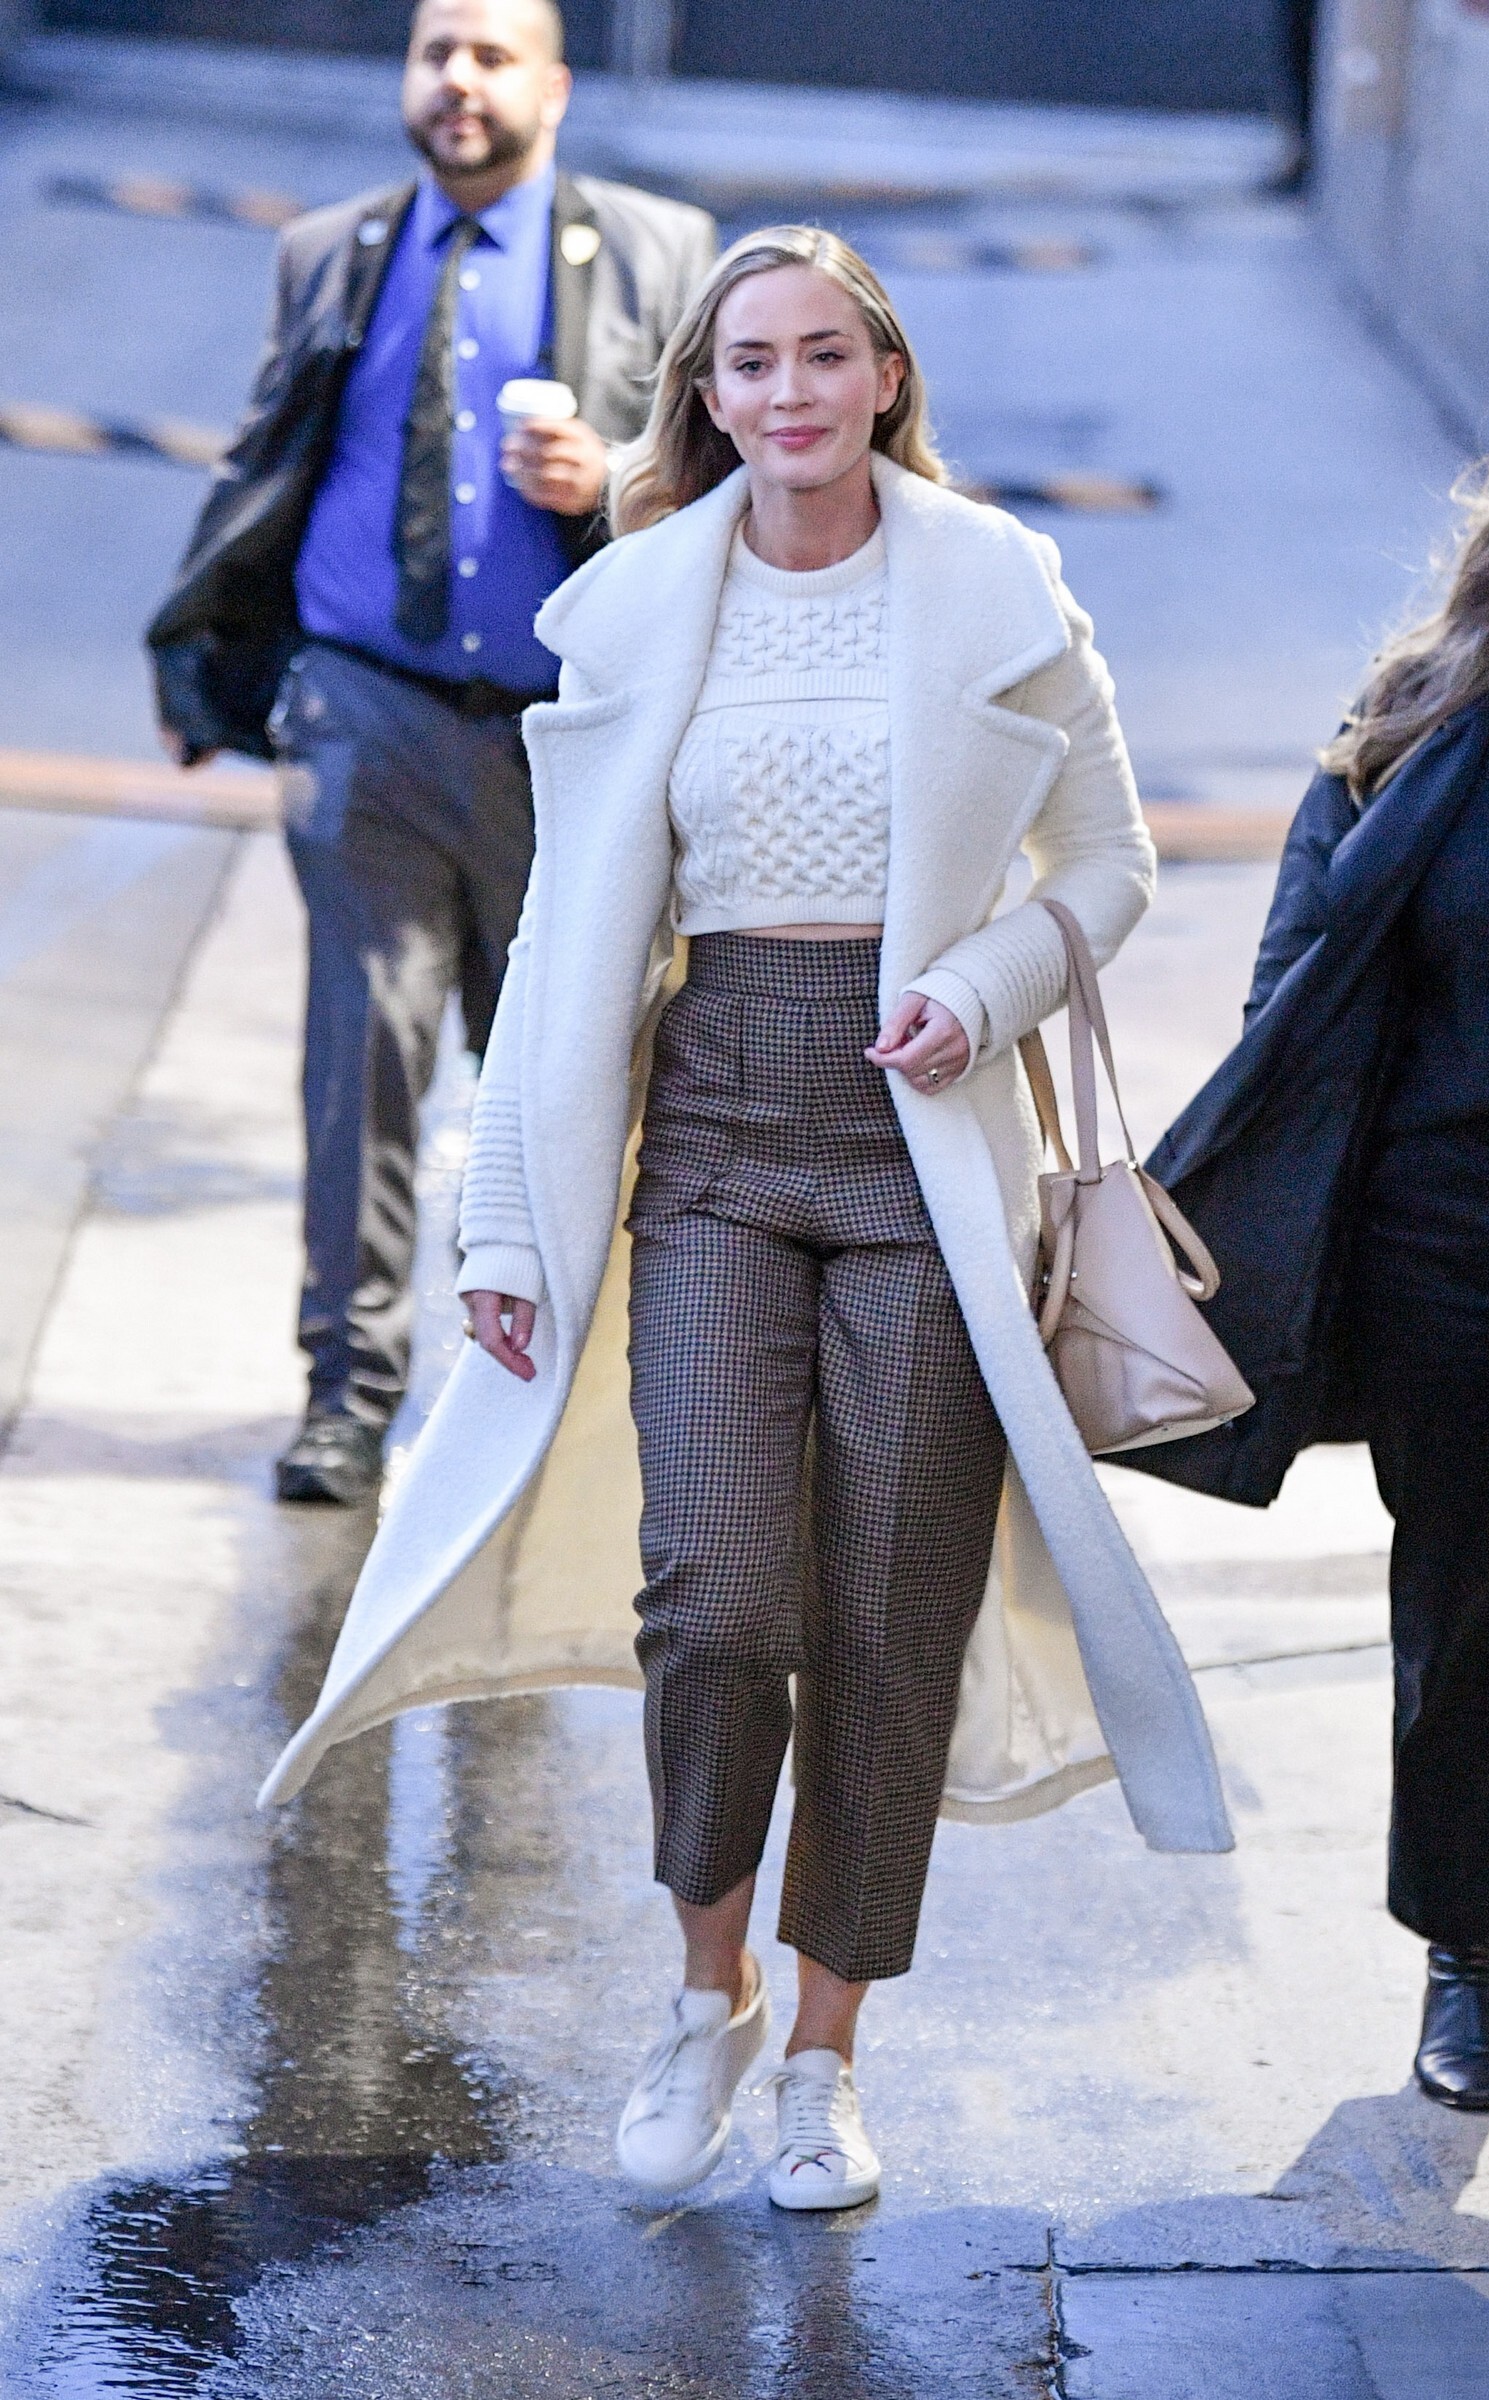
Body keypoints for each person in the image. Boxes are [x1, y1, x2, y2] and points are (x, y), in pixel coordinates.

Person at [257, 226, 1232, 2207]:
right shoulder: (636, 605)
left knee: (889, 1614)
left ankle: (822, 2058)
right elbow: (564, 940)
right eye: (751, 364)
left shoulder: (995, 581)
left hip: (924, 1151)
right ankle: (702, 1997)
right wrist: (505, 1224)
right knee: (712, 1599)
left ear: (885, 375)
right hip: (706, 1130)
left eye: (823, 356)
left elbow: (1109, 864)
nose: (789, 394)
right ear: (703, 395)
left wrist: (986, 985)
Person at [145, 0, 717, 1504]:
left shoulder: (659, 251)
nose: (459, 80)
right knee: (364, 1055)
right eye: (434, 53)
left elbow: (727, 477)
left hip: (567, 736)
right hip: (367, 711)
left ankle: (541, 1409)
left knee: (561, 1076)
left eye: (490, 56)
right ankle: (346, 1396)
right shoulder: (331, 249)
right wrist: (219, 659)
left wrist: (617, 475)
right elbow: (273, 458)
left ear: (556, 86)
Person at [1124, 371, 1489, 2166]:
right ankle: (1464, 1953)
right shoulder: (1421, 724)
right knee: (1475, 1613)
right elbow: (1296, 988)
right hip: (1449, 1252)